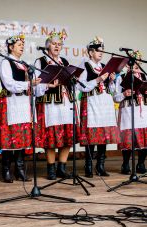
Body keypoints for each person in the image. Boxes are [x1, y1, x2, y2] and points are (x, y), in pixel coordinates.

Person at [0, 33, 41, 183]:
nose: (22, 47)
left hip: (24, 103)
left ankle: (20, 169)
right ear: (10, 46)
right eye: (19, 44)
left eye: (23, 44)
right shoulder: (6, 63)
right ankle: (6, 169)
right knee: (10, 137)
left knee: (21, 136)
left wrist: (43, 85)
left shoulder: (25, 64)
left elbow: (32, 85)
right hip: (11, 102)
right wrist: (29, 84)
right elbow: (9, 84)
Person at [34, 31, 79, 180]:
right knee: (51, 137)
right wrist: (48, 85)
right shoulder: (40, 62)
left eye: (59, 44)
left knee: (67, 135)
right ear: (48, 46)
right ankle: (51, 169)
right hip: (50, 103)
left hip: (66, 102)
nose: (57, 46)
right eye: (54, 44)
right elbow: (35, 87)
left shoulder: (64, 62)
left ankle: (62, 167)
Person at [77, 37, 120, 178]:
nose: (101, 53)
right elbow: (80, 86)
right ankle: (88, 165)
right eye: (98, 50)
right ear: (90, 52)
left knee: (104, 135)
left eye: (102, 50)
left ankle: (100, 165)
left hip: (105, 102)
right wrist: (98, 79)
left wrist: (111, 81)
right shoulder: (85, 66)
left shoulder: (104, 67)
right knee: (92, 135)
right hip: (92, 102)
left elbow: (112, 90)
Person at [113, 50, 147, 174]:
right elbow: (115, 97)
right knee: (128, 138)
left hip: (142, 110)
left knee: (144, 138)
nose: (135, 63)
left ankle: (141, 164)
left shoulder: (144, 76)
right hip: (128, 110)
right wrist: (124, 93)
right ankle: (125, 164)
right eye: (132, 61)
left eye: (137, 61)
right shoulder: (121, 77)